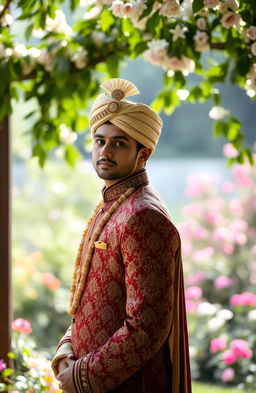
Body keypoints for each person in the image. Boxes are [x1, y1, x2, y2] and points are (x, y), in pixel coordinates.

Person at [51, 78, 192, 393]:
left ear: (144, 153)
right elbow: (91, 297)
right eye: (100, 140)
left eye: (119, 143)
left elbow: (146, 328)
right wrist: (66, 350)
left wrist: (81, 376)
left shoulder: (143, 217)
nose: (105, 150)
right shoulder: (114, 206)